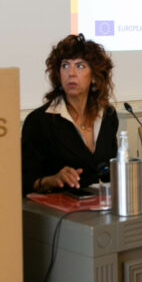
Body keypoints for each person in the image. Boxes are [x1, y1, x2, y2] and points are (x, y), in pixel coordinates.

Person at [22, 33, 118, 196]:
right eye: (65, 66)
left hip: (100, 203)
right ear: (58, 75)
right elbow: (24, 181)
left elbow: (110, 171)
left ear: (94, 76)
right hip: (57, 207)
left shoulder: (107, 115)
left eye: (80, 66)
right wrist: (52, 180)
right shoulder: (39, 121)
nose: (71, 73)